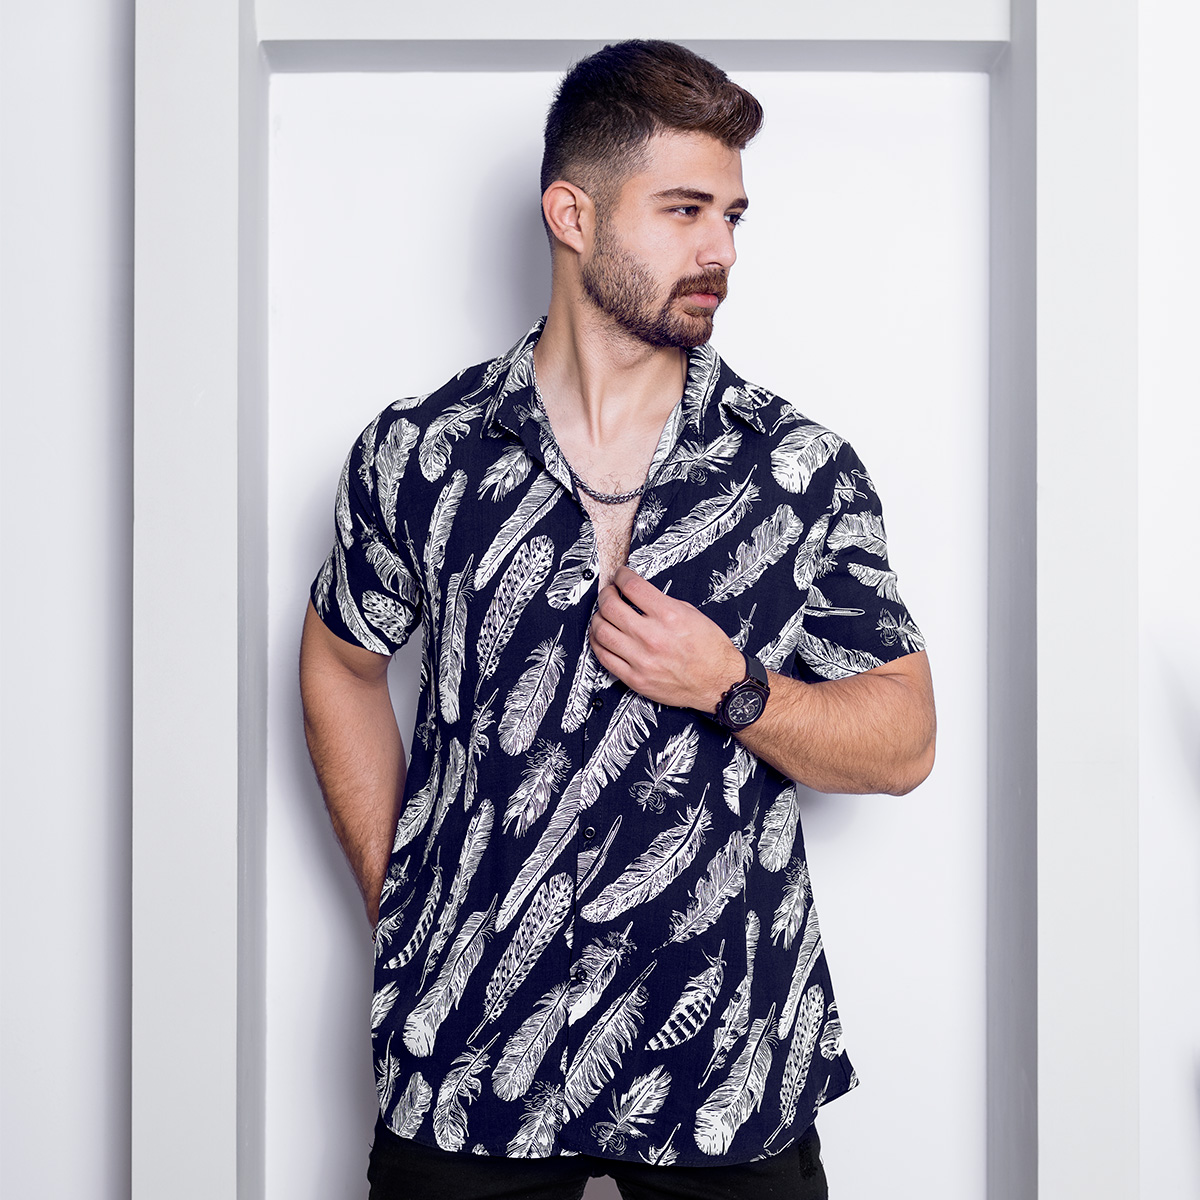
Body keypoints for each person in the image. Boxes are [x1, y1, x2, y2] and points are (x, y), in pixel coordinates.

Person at [299, 39, 935, 1200]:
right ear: (572, 214)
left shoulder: (798, 473)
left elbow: (904, 740)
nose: (720, 250)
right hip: (467, 1054)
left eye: (732, 216)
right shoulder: (421, 454)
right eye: (685, 210)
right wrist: (407, 905)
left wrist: (733, 688)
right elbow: (342, 664)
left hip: (722, 1062)